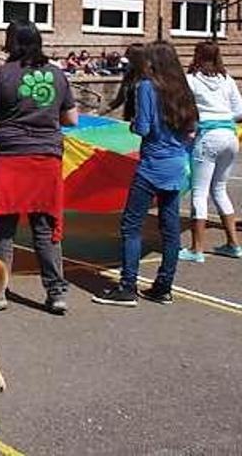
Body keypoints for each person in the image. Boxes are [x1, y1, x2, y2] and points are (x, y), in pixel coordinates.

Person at [0, 20, 79, 315]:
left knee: (4, 227)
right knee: (45, 228)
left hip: (11, 158)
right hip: (46, 159)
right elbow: (72, 119)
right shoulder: (57, 74)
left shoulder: (3, 74)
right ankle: (56, 293)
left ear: (12, 42)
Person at [91, 42, 198, 307]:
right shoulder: (183, 90)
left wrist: (132, 127)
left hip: (152, 165)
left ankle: (127, 286)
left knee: (131, 225)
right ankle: (164, 286)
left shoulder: (146, 88)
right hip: (176, 165)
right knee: (169, 229)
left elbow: (143, 128)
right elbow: (192, 130)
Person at [178, 41, 242, 262]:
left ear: (197, 56)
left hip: (207, 136)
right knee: (220, 188)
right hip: (230, 135)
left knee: (199, 191)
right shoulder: (227, 80)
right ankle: (233, 244)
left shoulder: (192, 80)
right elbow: (239, 110)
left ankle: (196, 249)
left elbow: (183, 108)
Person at [104, 44, 146, 120]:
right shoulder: (128, 75)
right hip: (129, 119)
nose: (128, 63)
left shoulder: (150, 78)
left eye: (130, 59)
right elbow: (120, 99)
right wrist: (100, 111)